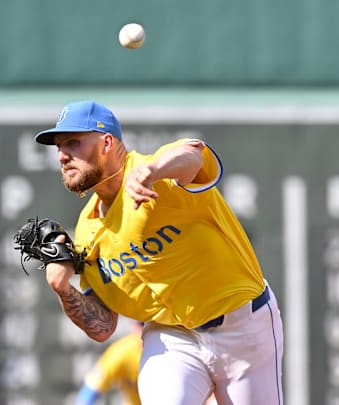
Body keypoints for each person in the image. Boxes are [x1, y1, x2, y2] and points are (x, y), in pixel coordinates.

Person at [33, 100, 284, 405]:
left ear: (107, 143)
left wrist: (153, 170)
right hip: (171, 338)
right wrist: (61, 288)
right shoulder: (88, 233)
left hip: (243, 327)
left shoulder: (159, 172)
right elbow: (103, 327)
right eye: (59, 147)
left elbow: (191, 155)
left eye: (73, 142)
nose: (62, 155)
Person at [75, 320, 143, 405]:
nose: (144, 330)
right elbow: (90, 390)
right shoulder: (121, 352)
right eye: (141, 325)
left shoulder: (164, 353)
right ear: (132, 326)